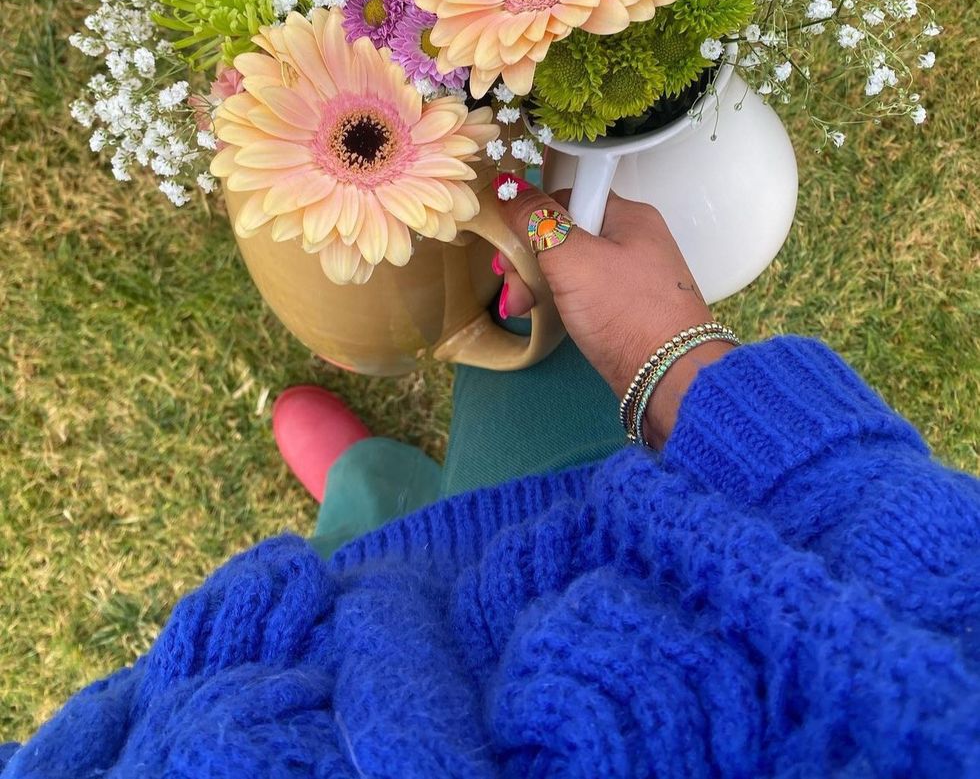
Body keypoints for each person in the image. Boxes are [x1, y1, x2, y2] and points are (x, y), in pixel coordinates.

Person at [3, 181, 979, 777]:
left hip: (287, 664)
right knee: (532, 322)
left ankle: (367, 482)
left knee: (358, 531)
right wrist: (661, 351)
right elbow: (931, 577)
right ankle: (386, 480)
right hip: (602, 535)